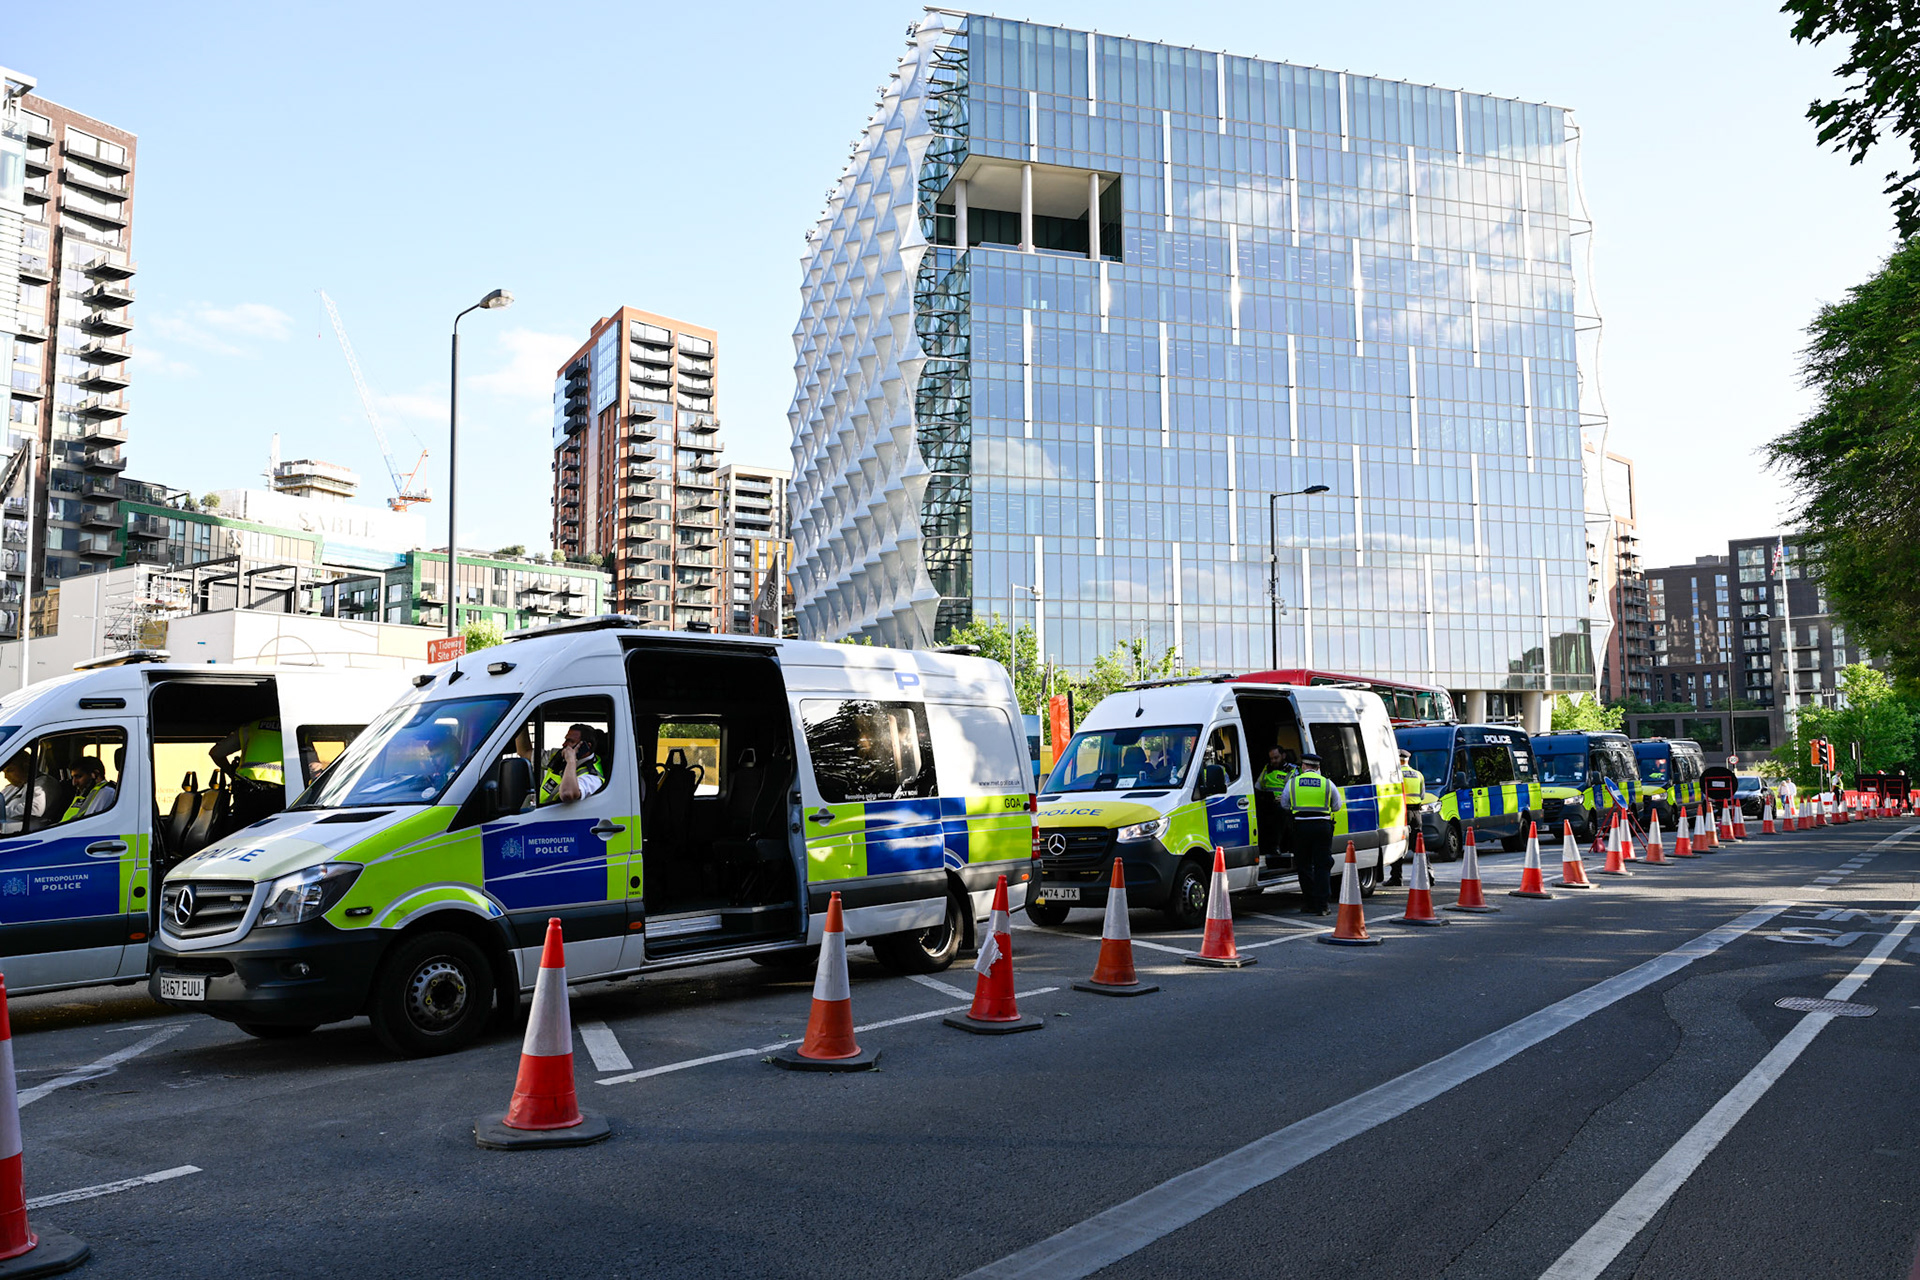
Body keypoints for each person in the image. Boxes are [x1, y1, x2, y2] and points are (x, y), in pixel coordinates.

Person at [1279, 752, 1345, 915]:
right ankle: (1322, 905)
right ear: (1318, 768)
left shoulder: (1293, 783)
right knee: (1322, 865)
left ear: (1303, 766)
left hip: (1300, 827)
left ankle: (1309, 903)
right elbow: (1337, 806)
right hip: (1322, 827)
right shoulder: (1328, 783)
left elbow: (1284, 804)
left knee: (1304, 866)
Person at [537, 724, 607, 806]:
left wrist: (571, 761)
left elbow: (567, 794)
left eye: (571, 741)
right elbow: (525, 752)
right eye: (566, 740)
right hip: (542, 811)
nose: (564, 744)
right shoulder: (560, 756)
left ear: (586, 746)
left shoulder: (593, 777)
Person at [1390, 748, 1424, 887]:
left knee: (1398, 845)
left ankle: (1396, 878)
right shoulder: (1418, 774)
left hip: (1402, 813)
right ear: (1408, 760)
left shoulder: (1396, 775)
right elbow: (1422, 796)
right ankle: (1428, 875)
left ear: (1398, 760)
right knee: (1419, 846)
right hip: (1416, 814)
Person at [1255, 747, 1293, 863]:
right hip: (1268, 802)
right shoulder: (1267, 769)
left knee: (1280, 812)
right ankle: (1264, 848)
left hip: (1285, 804)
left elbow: (1295, 789)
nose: (1274, 761)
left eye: (1276, 758)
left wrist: (1285, 797)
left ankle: (1275, 847)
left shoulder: (1292, 770)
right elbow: (1258, 786)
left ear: (1283, 756)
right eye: (1271, 758)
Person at [0, 753, 48, 835]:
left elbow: (35, 809)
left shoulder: (44, 784)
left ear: (26, 767)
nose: (5, 776)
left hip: (21, 836)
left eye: (9, 770)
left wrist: (3, 811)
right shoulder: (12, 787)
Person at [61, 757, 115, 822]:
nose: (74, 783)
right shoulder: (89, 793)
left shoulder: (106, 793)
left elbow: (90, 822)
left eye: (78, 777)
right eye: (73, 777)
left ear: (95, 774)